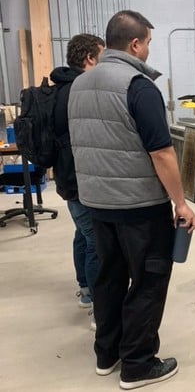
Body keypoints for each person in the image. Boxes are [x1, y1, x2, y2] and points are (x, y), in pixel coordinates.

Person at [68, 10, 195, 389]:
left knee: (109, 278)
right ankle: (139, 364)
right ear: (135, 43)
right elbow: (162, 154)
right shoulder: (138, 87)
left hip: (98, 203)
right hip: (139, 207)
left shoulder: (80, 84)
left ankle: (107, 354)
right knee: (148, 280)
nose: (147, 50)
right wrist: (180, 203)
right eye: (147, 43)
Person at [50, 33, 105, 329]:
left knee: (82, 235)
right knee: (97, 243)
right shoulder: (81, 90)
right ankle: (100, 309)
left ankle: (85, 290)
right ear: (90, 59)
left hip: (66, 178)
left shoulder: (60, 88)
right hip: (81, 179)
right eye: (103, 57)